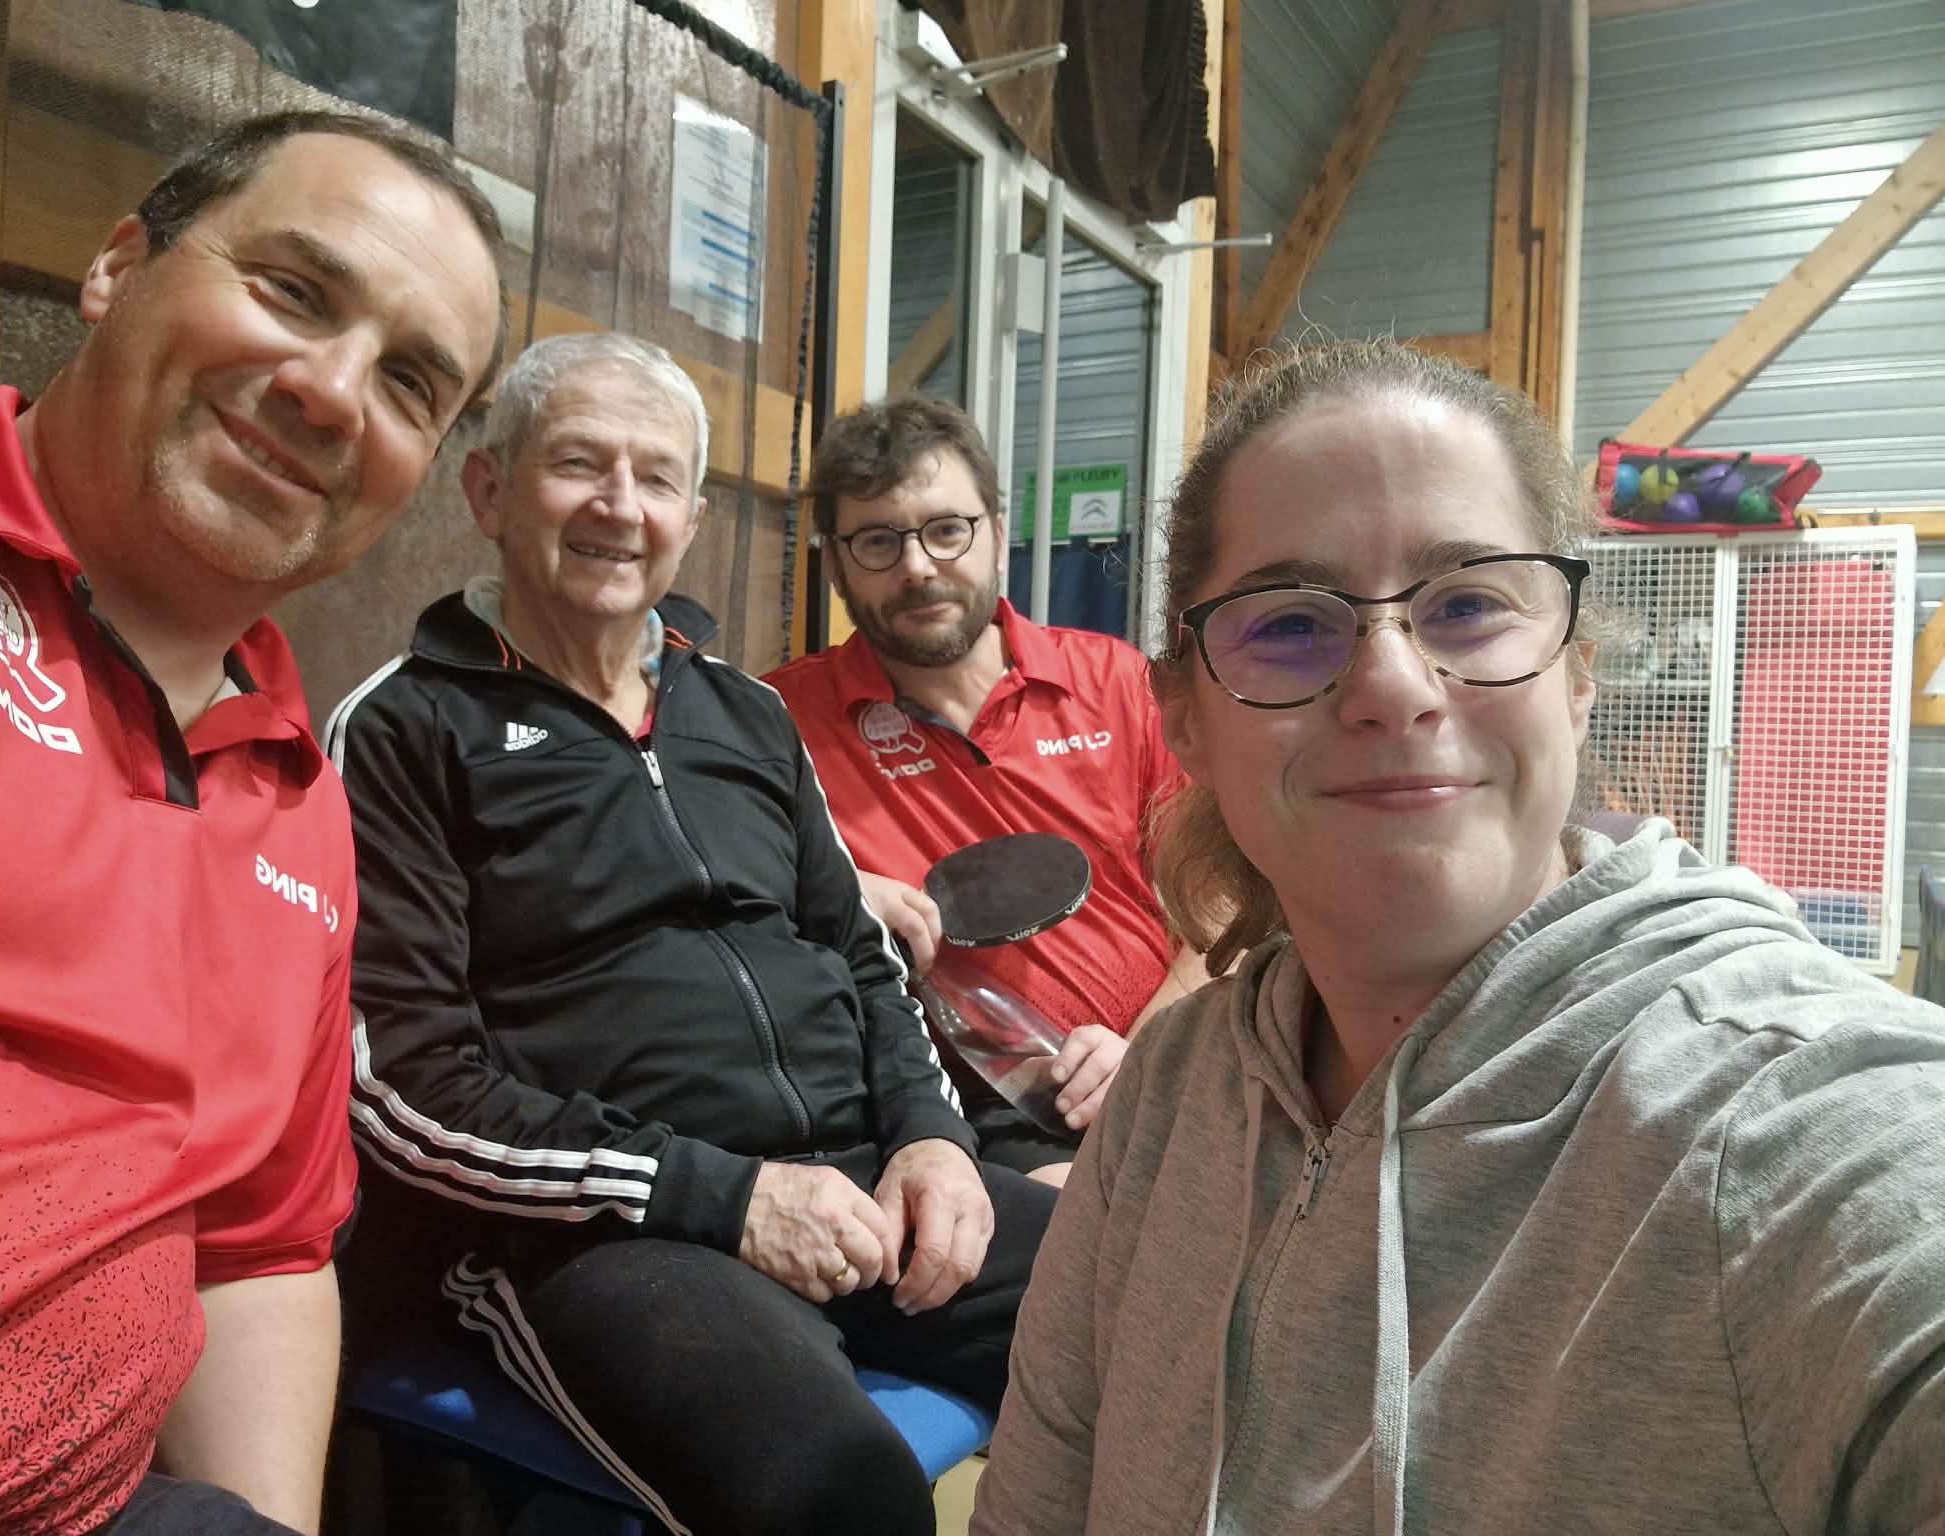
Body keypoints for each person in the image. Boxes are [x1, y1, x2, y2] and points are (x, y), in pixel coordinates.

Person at [972, 337, 1945, 1534]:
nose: (1391, 684)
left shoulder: (1778, 1122)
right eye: (1289, 624)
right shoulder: (1164, 1103)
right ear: (1184, 719)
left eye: (1469, 604)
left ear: (1575, 678)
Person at [328, 332, 1057, 1536]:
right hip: (601, 1232)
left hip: (861, 1181)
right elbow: (403, 1087)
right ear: (489, 490)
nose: (621, 506)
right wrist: (725, 1198)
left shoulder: (746, 713)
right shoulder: (408, 728)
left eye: (656, 476)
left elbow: (863, 959)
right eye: (579, 464)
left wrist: (932, 1141)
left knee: (1180, 1320)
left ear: (691, 518)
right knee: (836, 1495)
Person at [0, 111, 506, 1536]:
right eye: (293, 292)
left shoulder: (300, 801)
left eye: (410, 382)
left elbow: (257, 1245)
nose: (332, 393)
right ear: (118, 267)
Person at [765, 396, 1204, 1183]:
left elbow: (1224, 910)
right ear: (833, 565)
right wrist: (833, 885)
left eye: (946, 529)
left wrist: (1146, 1052)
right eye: (877, 541)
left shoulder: (1116, 681)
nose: (917, 567)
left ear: (998, 533)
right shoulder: (776, 722)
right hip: (965, 1112)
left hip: (1173, 1059)